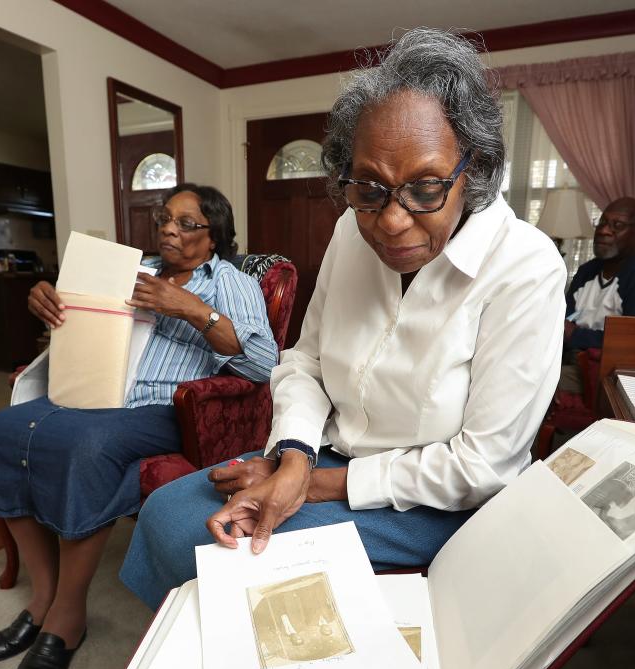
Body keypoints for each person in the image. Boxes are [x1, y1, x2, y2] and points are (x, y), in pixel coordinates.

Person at [118, 28, 567, 610]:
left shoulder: (526, 267)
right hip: (327, 457)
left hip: (439, 504)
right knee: (164, 511)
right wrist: (296, 456)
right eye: (369, 189)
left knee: (213, 554)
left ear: (472, 169)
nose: (391, 222)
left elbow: (482, 466)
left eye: (426, 188)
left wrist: (313, 485)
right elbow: (304, 362)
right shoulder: (349, 233)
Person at [0, 183, 279, 669]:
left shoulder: (226, 281)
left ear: (215, 236)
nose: (168, 229)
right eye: (165, 219)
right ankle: (41, 599)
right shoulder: (128, 271)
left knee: (84, 445)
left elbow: (260, 362)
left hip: (163, 410)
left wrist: (189, 307)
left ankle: (66, 619)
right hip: (94, 393)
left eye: (187, 223)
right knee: (2, 430)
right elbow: (83, 328)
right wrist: (49, 300)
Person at [561, 197, 635, 392]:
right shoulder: (587, 271)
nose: (604, 230)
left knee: (528, 384)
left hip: (619, 375)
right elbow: (563, 323)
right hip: (577, 360)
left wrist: (575, 334)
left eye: (617, 225)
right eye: (603, 223)